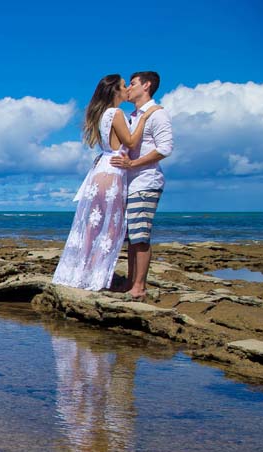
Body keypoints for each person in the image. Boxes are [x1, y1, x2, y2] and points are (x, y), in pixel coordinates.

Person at [52, 75, 160, 292]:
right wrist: (145, 118)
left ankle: (80, 273)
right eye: (124, 86)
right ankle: (94, 277)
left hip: (100, 171)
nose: (127, 89)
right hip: (112, 172)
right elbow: (131, 142)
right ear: (114, 91)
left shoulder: (101, 114)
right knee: (110, 229)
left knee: (92, 228)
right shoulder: (115, 113)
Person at [109, 71, 174, 299]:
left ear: (146, 86)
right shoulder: (133, 116)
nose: (128, 88)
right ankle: (130, 282)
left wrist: (133, 163)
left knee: (140, 235)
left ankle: (139, 287)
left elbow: (165, 148)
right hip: (130, 182)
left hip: (146, 181)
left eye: (133, 83)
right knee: (131, 236)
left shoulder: (157, 113)